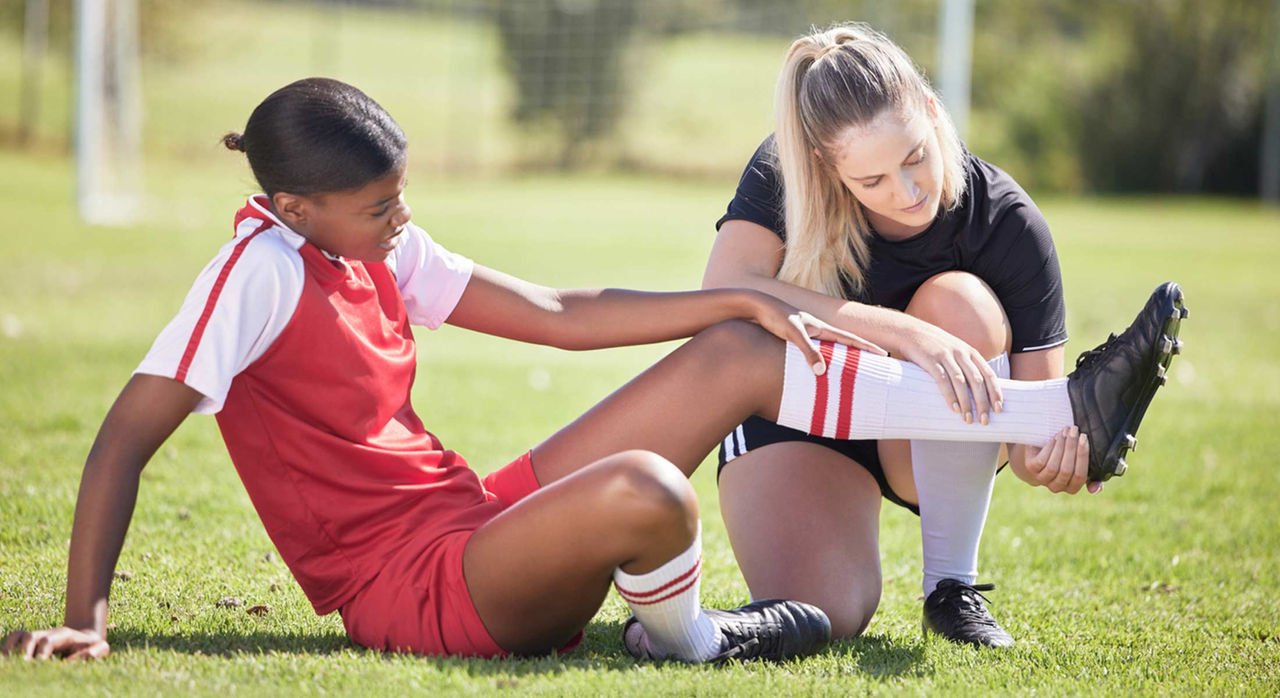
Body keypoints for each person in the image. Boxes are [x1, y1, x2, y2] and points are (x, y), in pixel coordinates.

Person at [1, 78, 1180, 663]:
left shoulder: (373, 245)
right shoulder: (253, 274)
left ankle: (1052, 407)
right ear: (291, 205)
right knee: (648, 492)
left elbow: (560, 315)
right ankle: (690, 638)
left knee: (729, 351)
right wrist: (83, 621)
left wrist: (739, 295)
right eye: (376, 207)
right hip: (409, 588)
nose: (399, 220)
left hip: (464, 517)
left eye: (401, 195)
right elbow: (121, 438)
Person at [702, 23, 1185, 647]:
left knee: (959, 302)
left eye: (914, 158)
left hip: (920, 442)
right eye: (871, 182)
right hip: (797, 416)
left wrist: (1060, 450)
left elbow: (1025, 447)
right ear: (826, 165)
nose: (905, 193)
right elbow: (722, 292)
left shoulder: (1006, 222)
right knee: (825, 613)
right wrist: (904, 333)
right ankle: (685, 633)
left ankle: (951, 589)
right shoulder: (787, 169)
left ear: (932, 112)